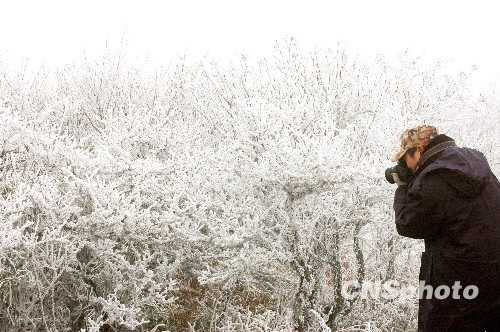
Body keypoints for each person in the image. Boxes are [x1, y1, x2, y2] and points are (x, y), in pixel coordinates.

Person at [388, 125, 500, 331]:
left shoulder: (434, 177)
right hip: (493, 281)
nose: (406, 165)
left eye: (405, 159)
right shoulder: (478, 166)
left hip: (453, 288)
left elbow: (407, 223)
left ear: (418, 151)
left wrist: (403, 186)